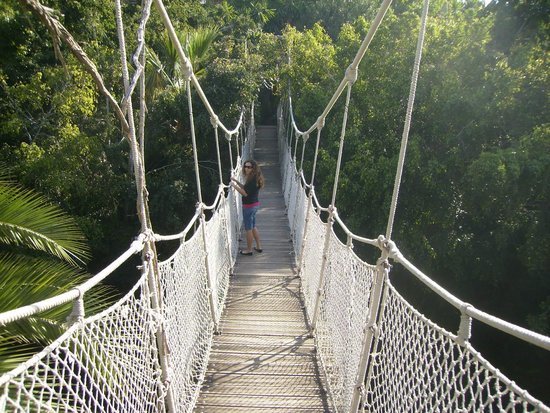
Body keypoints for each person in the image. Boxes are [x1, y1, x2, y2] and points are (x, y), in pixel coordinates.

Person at [230, 160, 264, 255]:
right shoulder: (254, 177)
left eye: (249, 167)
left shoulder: (253, 180)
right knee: (253, 226)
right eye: (245, 166)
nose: (246, 168)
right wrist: (236, 182)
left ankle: (249, 250)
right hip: (254, 205)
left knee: (248, 229)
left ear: (253, 168)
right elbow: (245, 188)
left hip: (249, 207)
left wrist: (234, 186)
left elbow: (244, 193)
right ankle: (258, 246)